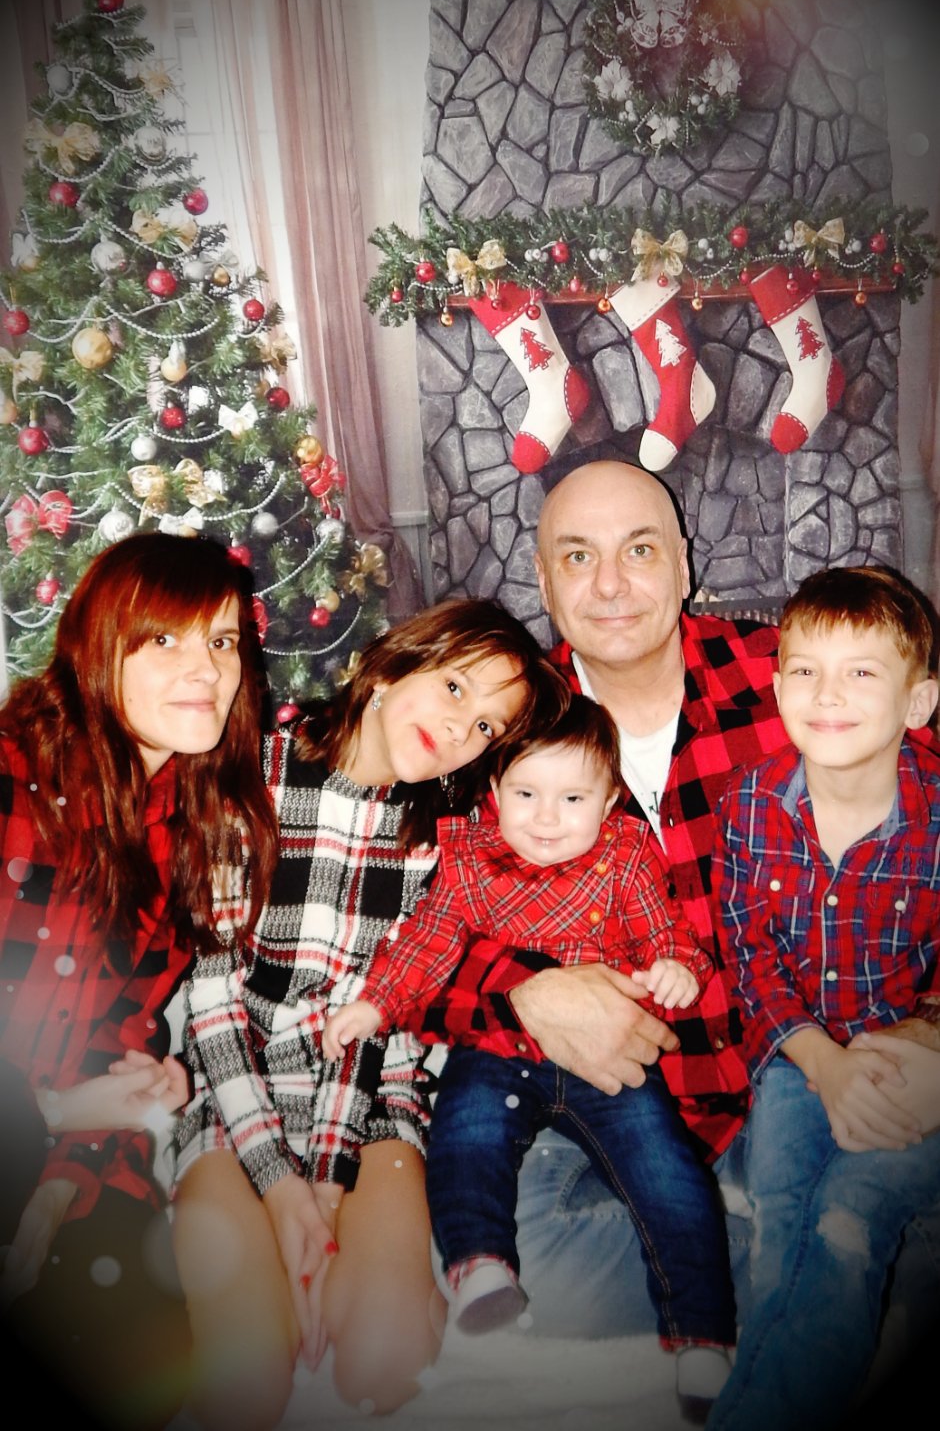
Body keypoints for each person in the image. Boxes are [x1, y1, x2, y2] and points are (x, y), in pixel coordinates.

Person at [414, 457, 939, 1382]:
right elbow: (420, 928)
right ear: (543, 579)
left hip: (807, 1076)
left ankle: (804, 1260)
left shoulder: (793, 679)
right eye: (579, 556)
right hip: (618, 1116)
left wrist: (930, 1031)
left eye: (640, 550)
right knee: (512, 1253)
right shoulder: (504, 726)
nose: (611, 585)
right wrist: (527, 992)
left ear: (685, 563)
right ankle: (821, 1273)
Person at [169, 597, 563, 1431]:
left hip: (371, 1098)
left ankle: (391, 1284)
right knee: (246, 1391)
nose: (460, 730)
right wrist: (280, 1186)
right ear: (392, 665)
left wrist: (328, 1180)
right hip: (237, 1086)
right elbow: (211, 1002)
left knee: (381, 1370)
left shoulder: (443, 838)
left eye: (486, 727)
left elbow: (379, 1021)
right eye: (455, 688)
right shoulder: (254, 774)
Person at [326, 693, 736, 1422]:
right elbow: (427, 941)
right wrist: (376, 1002)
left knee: (665, 1167)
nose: (546, 818)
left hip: (605, 1061)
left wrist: (677, 966)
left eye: (572, 798)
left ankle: (702, 1331)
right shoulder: (471, 857)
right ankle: (480, 1263)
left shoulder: (625, 856)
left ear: (609, 800)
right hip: (499, 1049)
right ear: (494, 789)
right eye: (525, 794)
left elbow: (664, 933)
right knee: (465, 1134)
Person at [0, 533, 278, 1431]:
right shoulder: (12, 779)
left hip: (53, 1153)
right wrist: (46, 1120)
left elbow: (117, 1036)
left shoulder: (178, 830)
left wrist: (57, 1187)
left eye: (223, 641)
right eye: (165, 639)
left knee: (143, 1363)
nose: (207, 669)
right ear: (98, 647)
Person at [704, 565, 940, 1431]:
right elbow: (750, 960)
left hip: (912, 1066)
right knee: (782, 1232)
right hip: (796, 1058)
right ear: (776, 689)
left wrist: (924, 1045)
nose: (827, 694)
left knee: (848, 1222)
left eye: (861, 672)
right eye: (804, 670)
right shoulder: (750, 805)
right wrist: (823, 1066)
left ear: (919, 702)